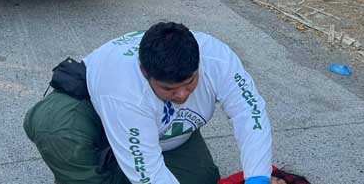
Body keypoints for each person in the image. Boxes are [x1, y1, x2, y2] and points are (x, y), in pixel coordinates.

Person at [24, 22, 274, 184]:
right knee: (56, 126)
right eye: (169, 89)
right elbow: (149, 175)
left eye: (189, 83)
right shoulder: (124, 89)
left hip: (160, 129)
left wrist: (259, 178)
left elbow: (250, 116)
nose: (182, 95)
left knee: (203, 178)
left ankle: (116, 163)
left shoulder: (217, 58)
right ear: (145, 72)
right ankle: (90, 170)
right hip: (92, 113)